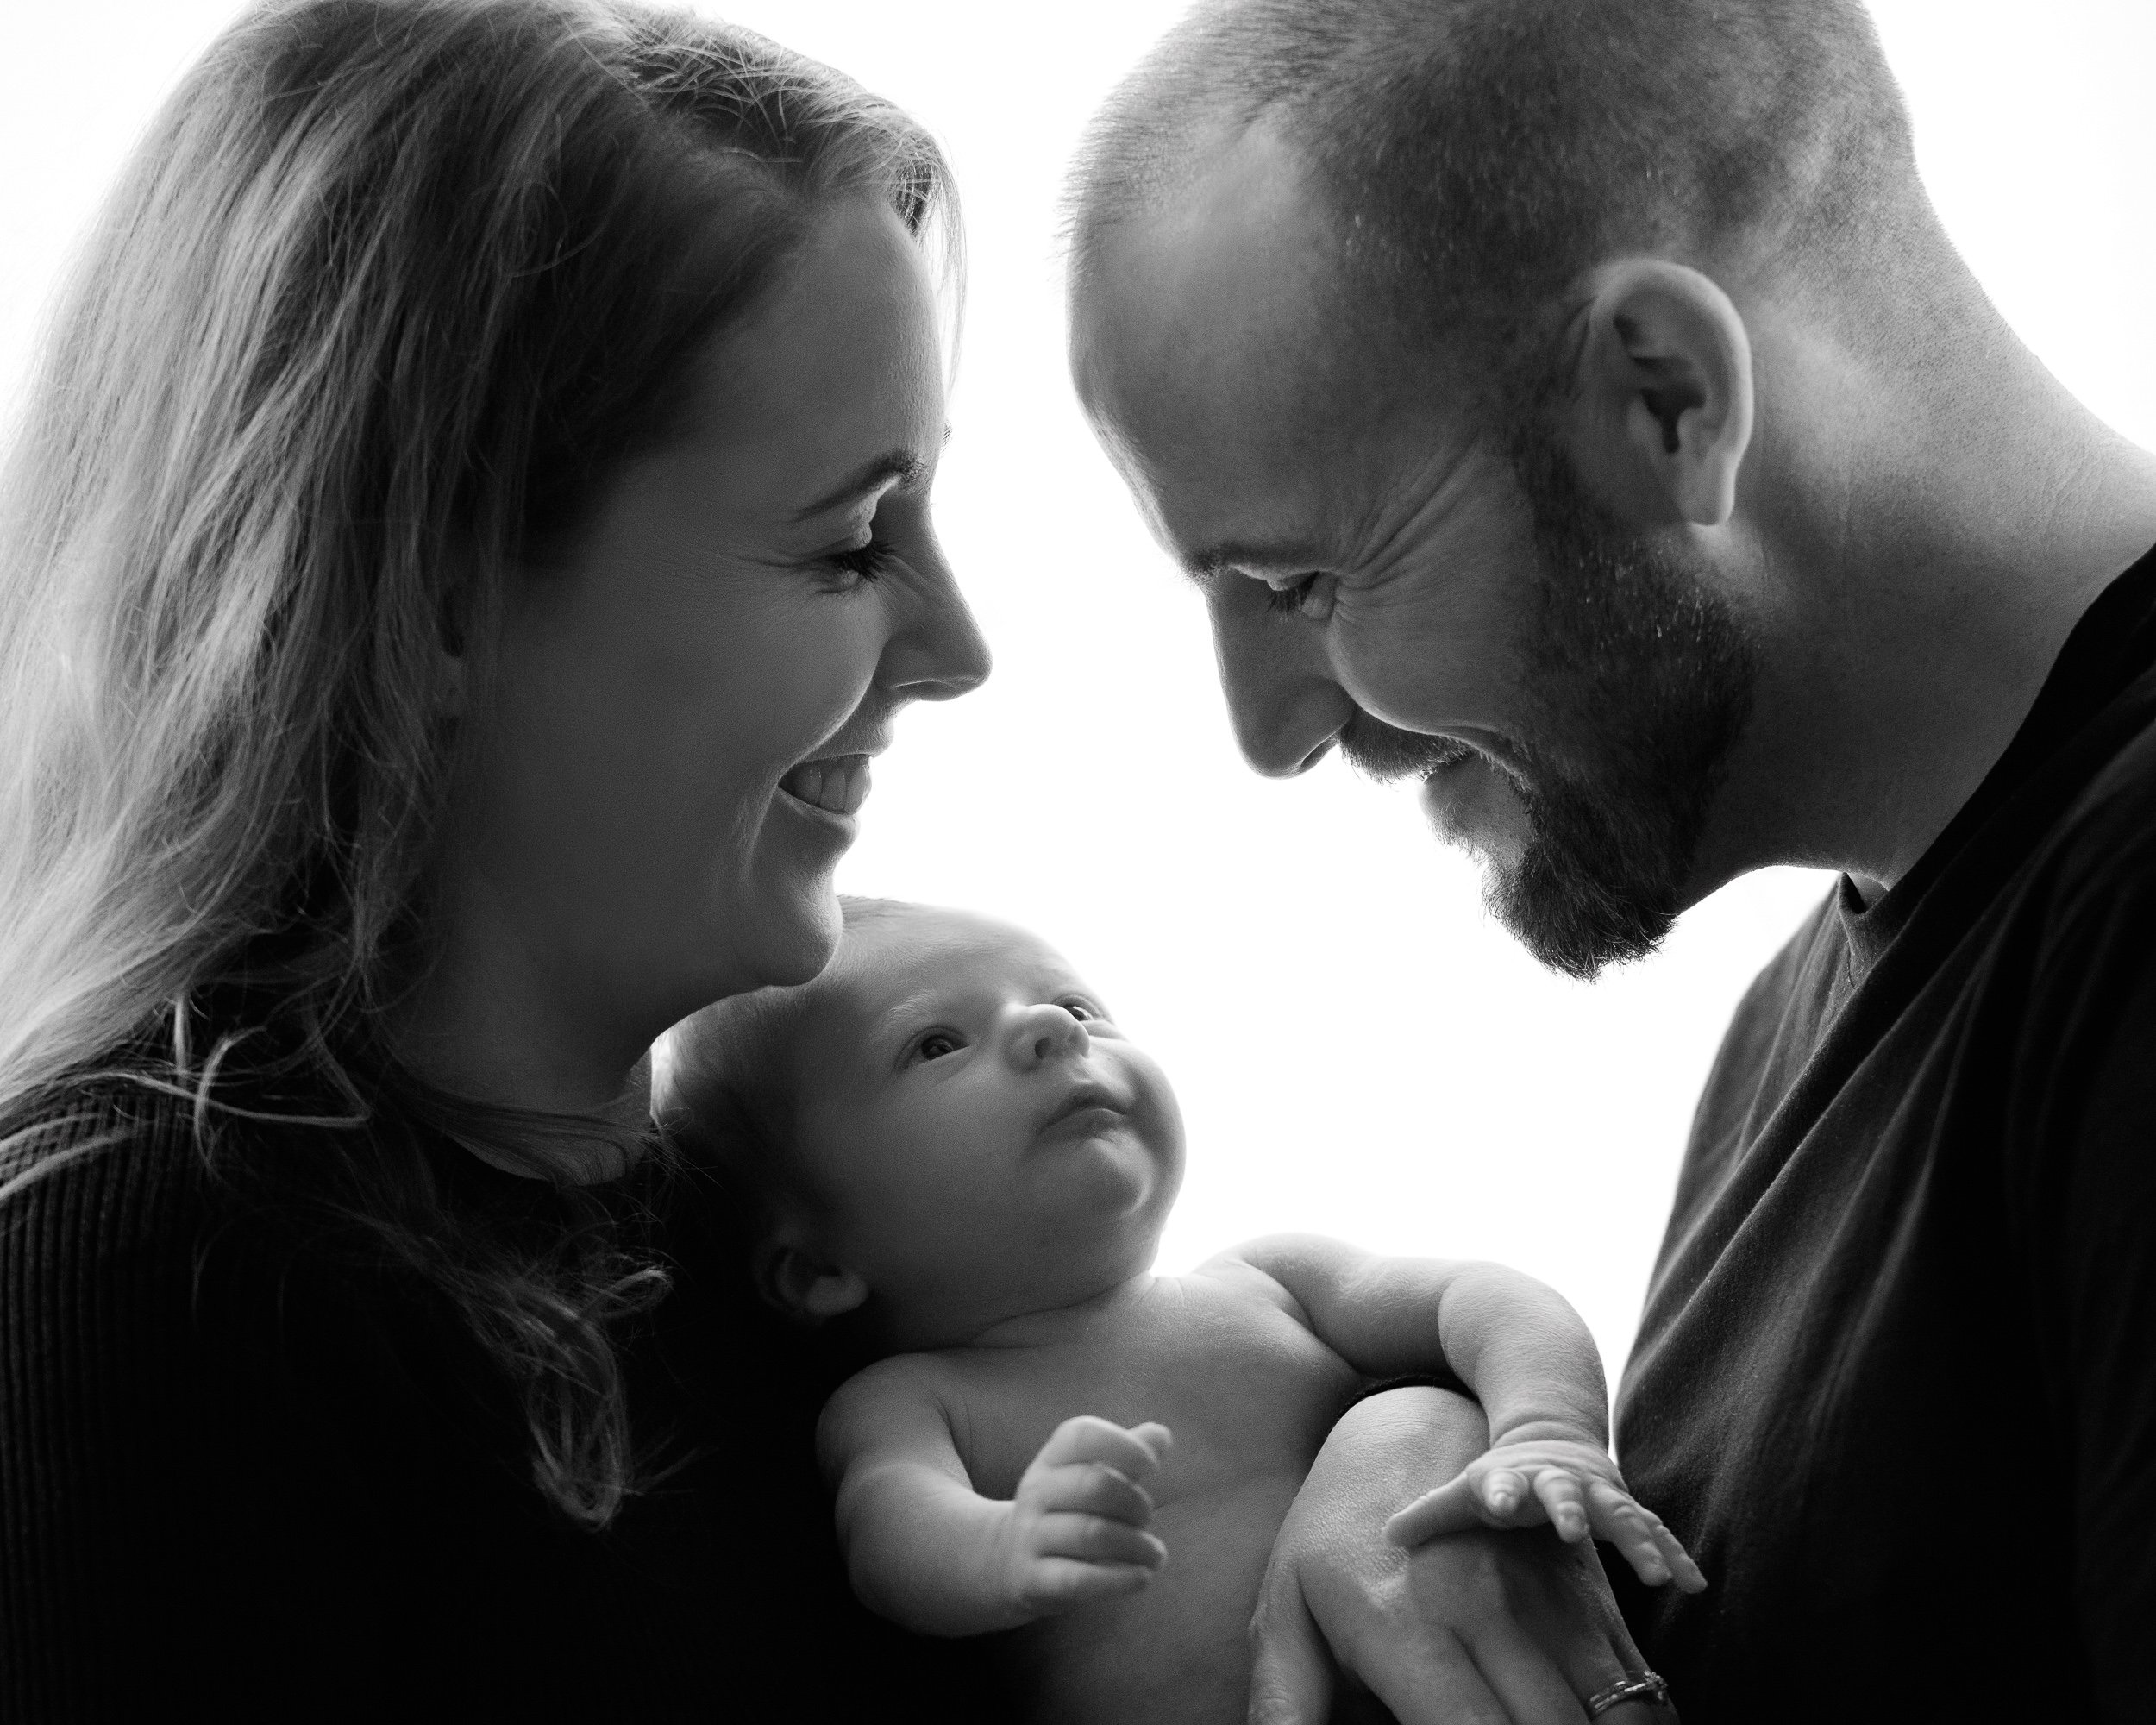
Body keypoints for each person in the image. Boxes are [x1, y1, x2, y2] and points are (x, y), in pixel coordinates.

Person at [0, 0, 1661, 1717]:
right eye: (854, 536)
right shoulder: (141, 1271)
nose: (957, 643)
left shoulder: (762, 1215)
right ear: (431, 587)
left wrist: (1379, 1454)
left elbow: (1208, 1369)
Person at [1063, 0, 2156, 1719]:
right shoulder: (1808, 1023)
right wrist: (1402, 1454)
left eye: (1298, 583)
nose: (1270, 732)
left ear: (1661, 397)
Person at [657, 898, 1704, 1723]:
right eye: (935, 1042)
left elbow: (1485, 1297)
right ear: (816, 1267)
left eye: (1075, 1008)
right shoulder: (914, 1400)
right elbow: (888, 1537)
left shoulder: (1268, 1280)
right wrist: (1006, 1541)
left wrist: (1543, 1425)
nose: (1042, 1031)